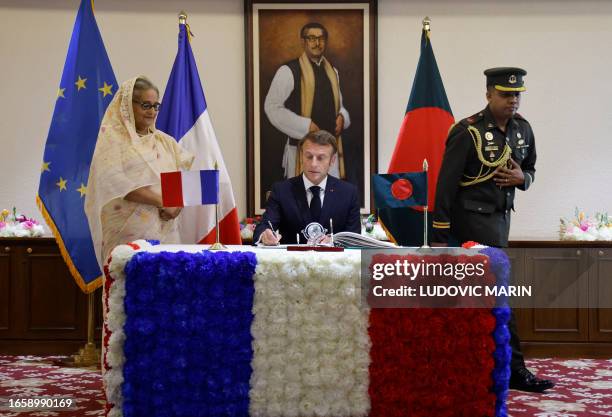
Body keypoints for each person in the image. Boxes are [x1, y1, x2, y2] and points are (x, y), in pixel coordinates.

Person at [432, 67, 555, 393]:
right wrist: (439, 238)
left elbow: (529, 168)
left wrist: (522, 180)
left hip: (499, 227)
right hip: (469, 230)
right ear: (489, 94)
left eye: (516, 94)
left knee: (495, 302)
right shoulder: (468, 131)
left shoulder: (522, 130)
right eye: (505, 94)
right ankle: (511, 370)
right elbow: (445, 186)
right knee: (490, 301)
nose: (512, 100)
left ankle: (501, 368)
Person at [85, 76, 194, 266]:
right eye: (145, 105)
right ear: (128, 105)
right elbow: (117, 183)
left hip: (165, 233)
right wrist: (162, 201)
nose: (152, 112)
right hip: (126, 238)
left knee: (165, 288)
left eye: (155, 106)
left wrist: (176, 205)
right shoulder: (113, 141)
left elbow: (178, 179)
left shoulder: (165, 142)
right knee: (129, 291)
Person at [264, 22, 350, 180]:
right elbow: (272, 108)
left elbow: (340, 105)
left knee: (330, 201)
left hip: (330, 151)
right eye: (312, 38)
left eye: (321, 38)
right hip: (300, 150)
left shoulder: (333, 72)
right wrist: (305, 126)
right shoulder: (288, 71)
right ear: (303, 42)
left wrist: (342, 117)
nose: (317, 43)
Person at [253, 130, 360, 245]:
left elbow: (354, 237)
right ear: (301, 157)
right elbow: (263, 227)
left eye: (320, 158)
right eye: (309, 156)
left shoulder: (348, 193)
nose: (313, 164)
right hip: (292, 261)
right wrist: (265, 235)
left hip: (335, 261)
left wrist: (335, 241)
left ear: (332, 160)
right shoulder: (281, 190)